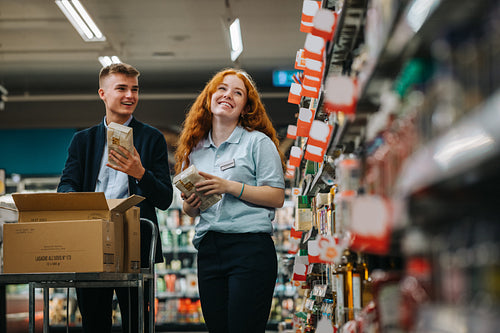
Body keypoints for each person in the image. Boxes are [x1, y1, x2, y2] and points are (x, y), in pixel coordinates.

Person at [57, 63, 173, 332]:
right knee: (94, 321)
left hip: (136, 242)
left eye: (135, 89)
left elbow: (165, 199)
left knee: (137, 322)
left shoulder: (152, 138)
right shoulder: (82, 141)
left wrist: (140, 172)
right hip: (91, 240)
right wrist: (77, 201)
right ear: (103, 93)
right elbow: (66, 184)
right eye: (121, 88)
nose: (130, 95)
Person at [174, 68, 286, 333]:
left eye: (238, 92)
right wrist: (191, 201)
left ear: (246, 107)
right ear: (209, 97)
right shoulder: (194, 148)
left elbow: (277, 196)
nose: (228, 95)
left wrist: (229, 186)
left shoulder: (257, 143)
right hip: (209, 250)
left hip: (250, 249)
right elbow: (189, 210)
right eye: (222, 89)